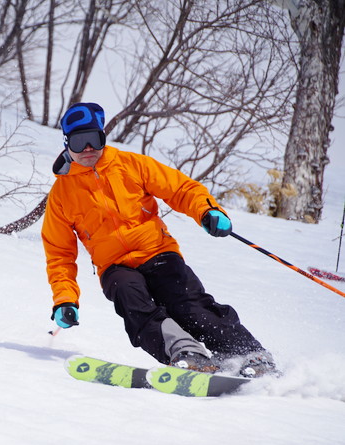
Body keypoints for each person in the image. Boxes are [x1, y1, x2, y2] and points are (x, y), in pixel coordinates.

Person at [42, 102, 276, 378]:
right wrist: (65, 300)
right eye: (80, 142)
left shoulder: (131, 165)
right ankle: (187, 354)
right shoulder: (61, 194)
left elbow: (180, 188)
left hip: (157, 252)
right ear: (67, 143)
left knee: (187, 302)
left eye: (95, 139)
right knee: (134, 303)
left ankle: (246, 352)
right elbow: (59, 254)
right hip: (115, 267)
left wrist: (207, 210)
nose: (89, 148)